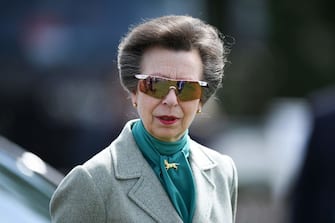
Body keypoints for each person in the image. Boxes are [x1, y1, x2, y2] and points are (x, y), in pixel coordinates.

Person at [50, 15, 238, 223]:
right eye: (156, 85)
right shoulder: (91, 181)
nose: (170, 100)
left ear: (202, 100)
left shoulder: (223, 171)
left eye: (187, 88)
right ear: (133, 92)